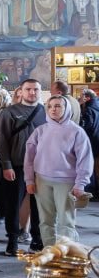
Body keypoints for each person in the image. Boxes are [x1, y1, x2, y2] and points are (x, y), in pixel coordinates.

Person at [25, 95, 93, 247]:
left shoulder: (77, 132)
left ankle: (67, 252)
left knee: (66, 220)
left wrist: (80, 184)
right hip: (42, 180)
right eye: (50, 106)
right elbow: (29, 158)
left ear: (66, 108)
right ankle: (49, 252)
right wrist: (29, 179)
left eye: (58, 106)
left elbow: (85, 160)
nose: (53, 109)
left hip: (66, 182)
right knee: (45, 220)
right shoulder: (40, 131)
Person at [0, 78, 46, 256]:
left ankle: (37, 240)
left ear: (40, 92)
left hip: (41, 168)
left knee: (39, 205)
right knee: (12, 204)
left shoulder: (46, 111)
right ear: (21, 91)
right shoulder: (9, 112)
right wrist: (6, 165)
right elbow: (1, 140)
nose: (32, 92)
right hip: (16, 166)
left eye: (35, 89)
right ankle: (12, 240)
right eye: (28, 89)